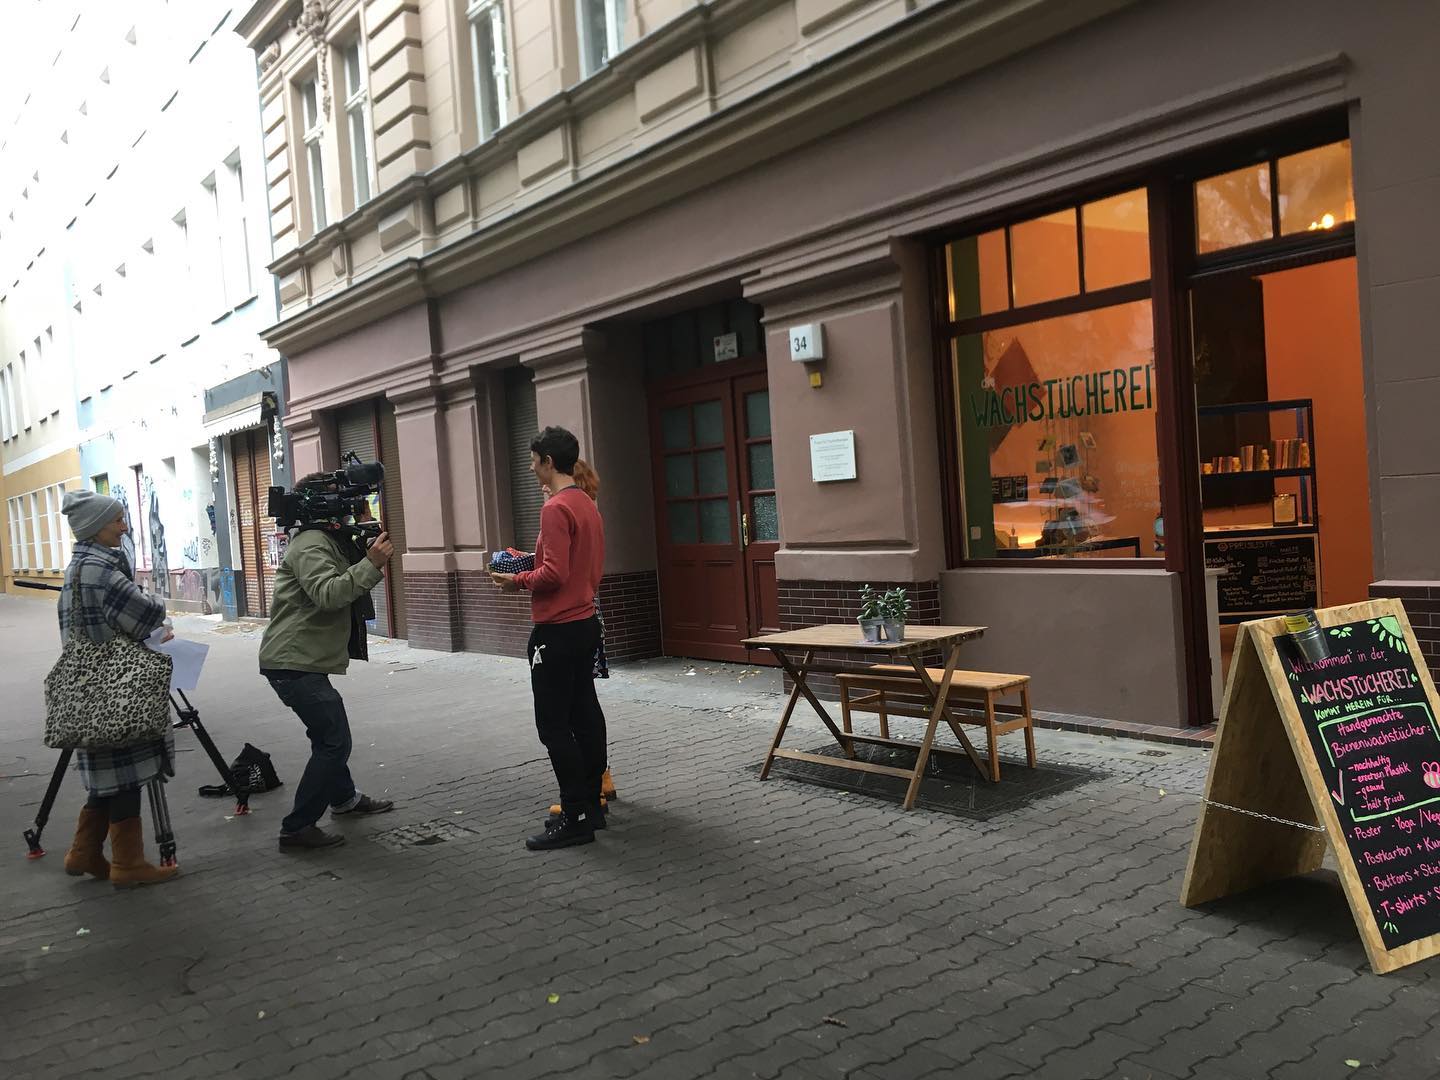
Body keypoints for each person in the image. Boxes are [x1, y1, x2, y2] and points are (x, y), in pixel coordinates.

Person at [259, 472, 396, 852]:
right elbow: (329, 594)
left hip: (301, 660)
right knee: (335, 740)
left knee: (326, 736)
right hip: (292, 663)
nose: (348, 506)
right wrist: (370, 563)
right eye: (339, 499)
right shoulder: (310, 544)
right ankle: (297, 828)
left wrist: (365, 539)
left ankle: (344, 799)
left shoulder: (326, 539)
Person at [491, 427, 608, 850]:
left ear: (548, 462)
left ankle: (574, 816)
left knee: (554, 726)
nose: (530, 467)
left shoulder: (556, 508)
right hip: (585, 623)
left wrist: (516, 580)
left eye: (533, 460)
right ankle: (592, 806)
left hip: (557, 630)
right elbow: (576, 567)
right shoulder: (586, 503)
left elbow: (554, 574)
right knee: (585, 714)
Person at [57, 490, 178, 887]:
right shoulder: (104, 572)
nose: (124, 527)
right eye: (117, 520)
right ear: (96, 527)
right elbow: (146, 615)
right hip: (119, 690)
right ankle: (128, 865)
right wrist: (154, 599)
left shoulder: (76, 570)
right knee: (127, 773)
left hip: (87, 688)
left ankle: (84, 852)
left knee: (106, 772)